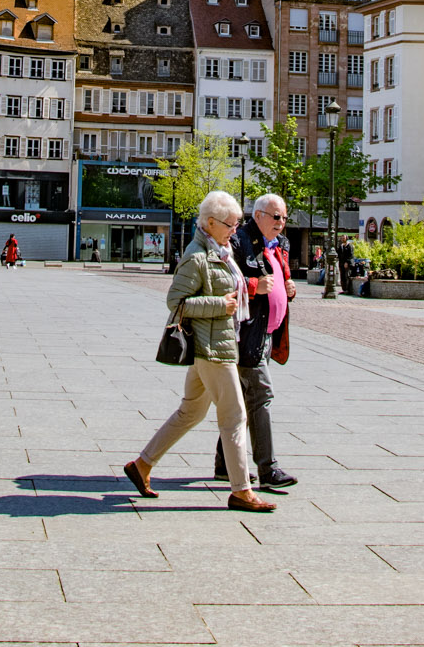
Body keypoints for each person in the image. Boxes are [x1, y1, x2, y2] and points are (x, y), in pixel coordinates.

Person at [123, 192, 276, 513]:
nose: (235, 230)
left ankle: (142, 465)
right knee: (235, 417)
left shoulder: (220, 251)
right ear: (210, 223)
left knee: (190, 412)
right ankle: (241, 491)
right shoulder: (197, 256)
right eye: (230, 224)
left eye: (237, 224)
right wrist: (219, 305)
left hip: (218, 342)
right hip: (212, 349)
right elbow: (175, 302)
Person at [213, 194, 299, 490]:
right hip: (246, 334)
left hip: (267, 334)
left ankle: (225, 464)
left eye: (284, 217)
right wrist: (254, 286)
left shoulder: (280, 244)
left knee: (242, 401)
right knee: (261, 396)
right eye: (276, 217)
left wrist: (288, 288)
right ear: (258, 215)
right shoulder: (239, 241)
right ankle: (268, 469)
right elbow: (224, 282)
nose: (281, 223)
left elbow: (279, 278)